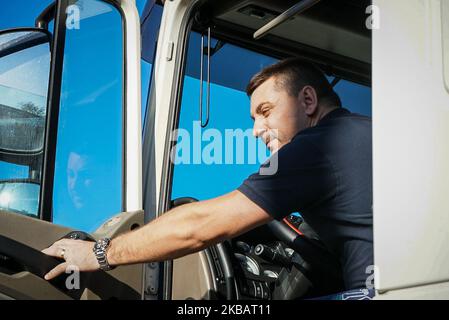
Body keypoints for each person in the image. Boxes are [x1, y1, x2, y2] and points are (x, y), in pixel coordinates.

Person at [42, 58, 373, 299]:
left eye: (266, 111)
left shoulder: (318, 147)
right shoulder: (369, 132)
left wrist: (100, 253)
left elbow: (200, 228)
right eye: (254, 118)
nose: (256, 130)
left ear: (308, 100)